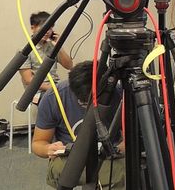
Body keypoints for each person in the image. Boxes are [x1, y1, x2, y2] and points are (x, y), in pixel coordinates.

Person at [32, 60, 124, 189]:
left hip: (109, 157)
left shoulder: (119, 94)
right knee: (59, 170)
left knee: (121, 173)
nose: (87, 106)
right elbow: (38, 143)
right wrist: (48, 149)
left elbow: (130, 138)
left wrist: (121, 147)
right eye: (83, 102)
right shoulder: (54, 97)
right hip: (69, 157)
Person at [19, 11, 73, 99]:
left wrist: (59, 46)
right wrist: (53, 89)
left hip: (55, 87)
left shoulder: (52, 46)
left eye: (50, 28)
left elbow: (69, 66)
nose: (47, 31)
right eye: (44, 27)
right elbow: (28, 80)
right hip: (38, 92)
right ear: (33, 28)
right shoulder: (25, 50)